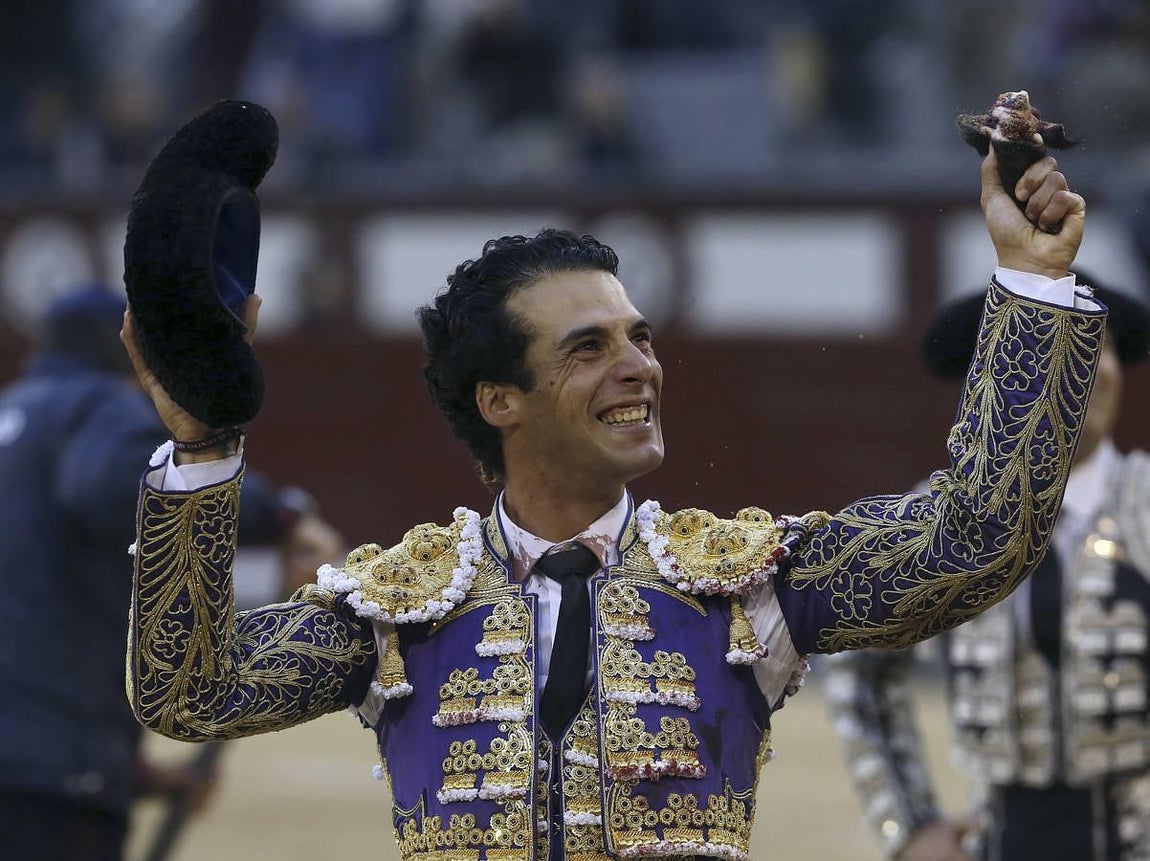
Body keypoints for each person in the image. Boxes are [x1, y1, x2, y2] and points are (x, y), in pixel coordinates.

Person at [123, 145, 1102, 861]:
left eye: (638, 337)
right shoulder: (396, 606)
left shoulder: (745, 584)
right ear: (499, 400)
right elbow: (191, 693)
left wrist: (1032, 284)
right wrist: (203, 453)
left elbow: (977, 539)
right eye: (586, 349)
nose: (637, 367)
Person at [0, 285, 343, 861]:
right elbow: (126, 487)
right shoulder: (96, 407)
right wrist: (281, 517)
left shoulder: (14, 417)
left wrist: (134, 776)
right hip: (50, 784)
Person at [825, 271, 1150, 861]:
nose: (1074, 368)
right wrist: (909, 826)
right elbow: (859, 679)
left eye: (1094, 344)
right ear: (999, 380)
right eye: (1044, 346)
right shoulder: (935, 521)